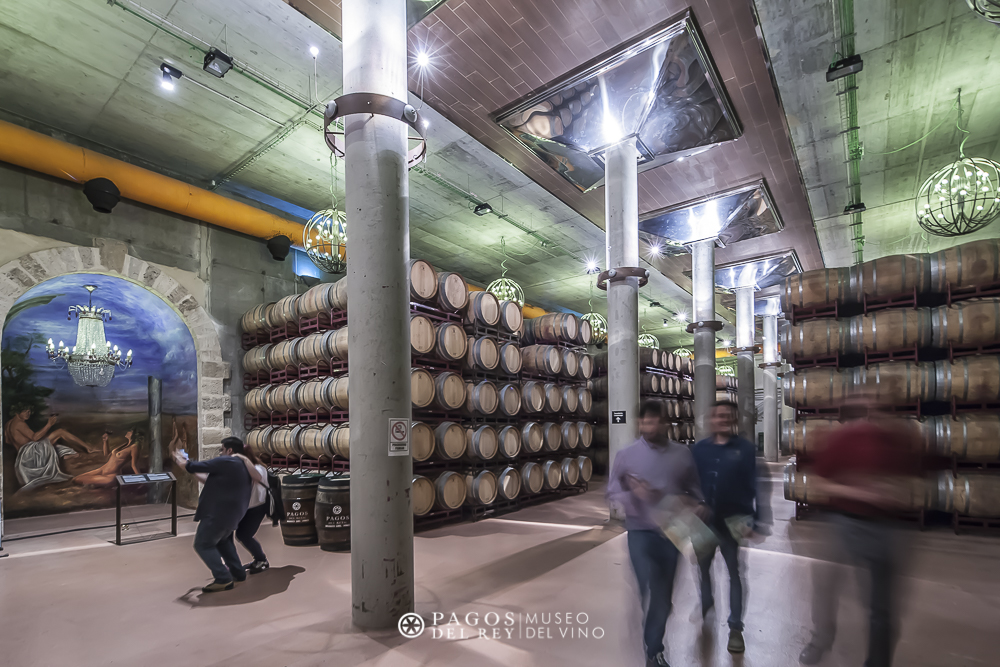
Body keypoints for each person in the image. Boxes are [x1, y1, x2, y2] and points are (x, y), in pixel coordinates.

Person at [797, 406, 920, 667]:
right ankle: (821, 639)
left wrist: (894, 489)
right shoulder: (842, 440)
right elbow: (820, 482)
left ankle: (877, 661)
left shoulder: (896, 440)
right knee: (827, 587)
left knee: (881, 606)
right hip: (842, 520)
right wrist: (860, 492)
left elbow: (914, 481)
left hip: (885, 525)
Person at [607, 401, 707, 667]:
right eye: (645, 422)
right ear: (639, 423)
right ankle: (653, 644)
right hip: (640, 531)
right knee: (649, 590)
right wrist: (633, 496)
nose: (649, 427)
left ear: (665, 423)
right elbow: (612, 492)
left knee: (663, 596)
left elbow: (694, 489)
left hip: (673, 532)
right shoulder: (626, 455)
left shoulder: (682, 454)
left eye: (655, 422)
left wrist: (698, 505)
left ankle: (654, 646)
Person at [691, 401, 758, 654]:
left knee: (735, 574)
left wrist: (756, 520)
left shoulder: (746, 449)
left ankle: (735, 628)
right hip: (704, 523)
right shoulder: (699, 450)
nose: (722, 419)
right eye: (718, 415)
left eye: (727, 416)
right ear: (711, 419)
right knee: (703, 569)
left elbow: (754, 486)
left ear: (734, 420)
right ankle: (706, 602)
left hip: (733, 522)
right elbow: (691, 483)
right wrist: (696, 503)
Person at [173, 436, 252, 593]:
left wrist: (179, 458)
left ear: (229, 450)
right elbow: (209, 480)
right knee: (223, 543)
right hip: (233, 514)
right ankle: (238, 573)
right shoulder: (241, 464)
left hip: (217, 514)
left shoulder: (226, 461)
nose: (221, 452)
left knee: (203, 544)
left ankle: (223, 578)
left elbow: (190, 466)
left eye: (221, 449)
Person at [5, 407, 96, 491]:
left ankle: (65, 456)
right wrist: (49, 424)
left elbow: (8, 441)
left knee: (53, 445)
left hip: (22, 456)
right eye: (25, 411)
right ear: (17, 412)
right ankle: (89, 448)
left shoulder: (9, 424)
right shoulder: (20, 423)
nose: (28, 413)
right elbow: (35, 437)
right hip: (29, 453)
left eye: (29, 411)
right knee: (60, 432)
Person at [234, 444, 270, 574]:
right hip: (250, 507)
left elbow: (257, 478)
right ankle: (259, 559)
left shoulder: (257, 469)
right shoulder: (252, 468)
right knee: (241, 534)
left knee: (244, 535)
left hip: (256, 508)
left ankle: (262, 560)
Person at [73, 429, 141, 487]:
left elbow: (134, 465)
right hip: (102, 470)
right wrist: (105, 441)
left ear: (135, 434)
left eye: (130, 431)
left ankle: (98, 485)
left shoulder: (134, 447)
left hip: (111, 475)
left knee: (79, 481)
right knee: (75, 479)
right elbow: (107, 455)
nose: (128, 432)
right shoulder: (125, 444)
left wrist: (140, 479)